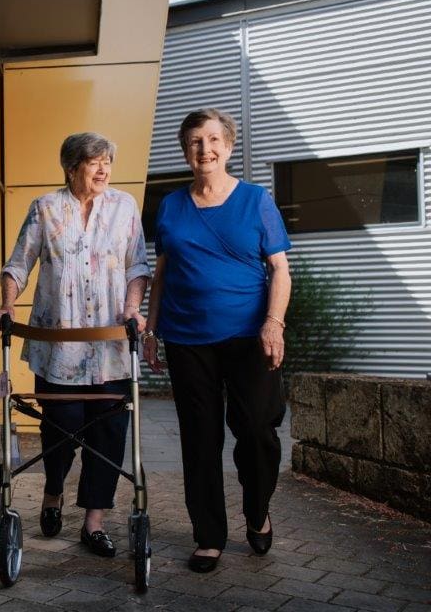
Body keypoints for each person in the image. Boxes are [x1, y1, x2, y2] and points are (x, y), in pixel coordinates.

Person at [143, 108, 291, 573]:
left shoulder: (256, 200)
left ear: (228, 146)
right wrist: (151, 330)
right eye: (194, 142)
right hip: (188, 339)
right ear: (185, 150)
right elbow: (161, 274)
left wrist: (273, 323)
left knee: (256, 430)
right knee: (199, 439)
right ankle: (208, 535)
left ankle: (257, 510)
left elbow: (280, 269)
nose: (204, 149)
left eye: (212, 140)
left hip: (250, 337)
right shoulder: (170, 206)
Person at [0, 132, 149, 557]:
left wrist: (133, 309)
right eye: (94, 162)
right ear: (71, 167)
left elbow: (138, 265)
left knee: (110, 430)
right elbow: (18, 263)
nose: (103, 170)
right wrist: (8, 304)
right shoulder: (45, 209)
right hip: (59, 347)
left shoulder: (124, 208)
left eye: (107, 162)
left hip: (111, 348)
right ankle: (53, 487)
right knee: (61, 429)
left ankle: (94, 523)